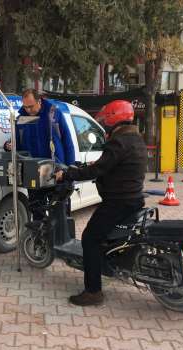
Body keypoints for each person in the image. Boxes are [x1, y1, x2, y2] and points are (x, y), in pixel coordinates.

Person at [55, 100, 147, 306]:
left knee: (89, 238)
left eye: (106, 119)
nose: (104, 123)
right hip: (133, 199)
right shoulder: (135, 138)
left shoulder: (119, 141)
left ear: (114, 117)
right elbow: (109, 164)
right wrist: (92, 166)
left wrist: (69, 173)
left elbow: (97, 170)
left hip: (118, 202)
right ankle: (109, 266)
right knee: (105, 238)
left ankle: (93, 291)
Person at [5, 89, 75, 166]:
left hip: (55, 168)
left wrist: (70, 166)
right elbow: (16, 143)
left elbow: (67, 141)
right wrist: (8, 145)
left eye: (31, 106)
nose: (28, 110)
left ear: (39, 101)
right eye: (25, 107)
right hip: (31, 168)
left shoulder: (55, 114)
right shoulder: (21, 119)